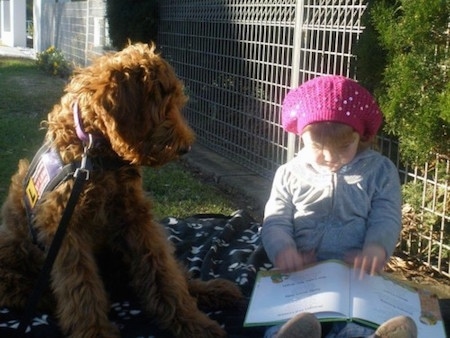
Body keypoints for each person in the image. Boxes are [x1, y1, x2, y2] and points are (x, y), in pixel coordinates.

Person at [261, 75, 417, 338]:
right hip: (302, 273)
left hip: (357, 273)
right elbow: (276, 219)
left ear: (361, 136)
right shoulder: (289, 173)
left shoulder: (379, 171)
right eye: (318, 148)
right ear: (301, 136)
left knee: (361, 321)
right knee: (289, 318)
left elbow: (386, 216)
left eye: (344, 147)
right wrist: (283, 249)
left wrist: (376, 247)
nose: (331, 158)